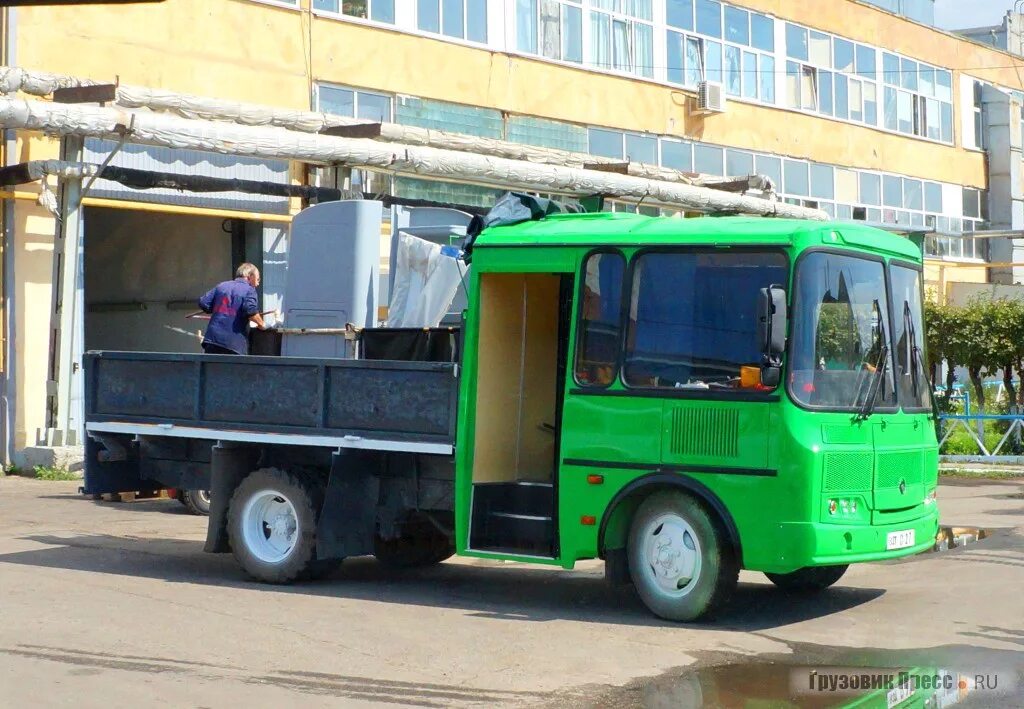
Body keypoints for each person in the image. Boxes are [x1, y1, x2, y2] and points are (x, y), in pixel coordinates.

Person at [198, 263, 266, 355]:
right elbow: (250, 311)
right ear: (250, 276)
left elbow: (203, 302)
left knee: (212, 369)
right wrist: (262, 324)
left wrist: (218, 307)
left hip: (212, 340)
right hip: (233, 344)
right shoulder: (249, 290)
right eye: (258, 279)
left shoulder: (221, 286)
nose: (258, 284)